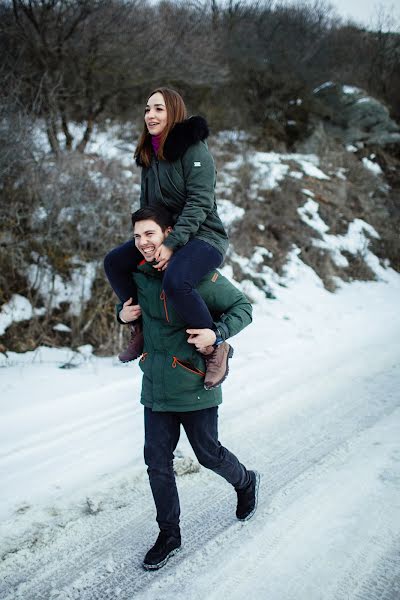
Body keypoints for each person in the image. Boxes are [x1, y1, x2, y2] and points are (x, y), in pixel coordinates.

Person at [119, 206, 260, 571]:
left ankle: (245, 481)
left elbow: (242, 307)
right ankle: (169, 534)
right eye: (137, 237)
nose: (143, 243)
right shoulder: (138, 274)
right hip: (156, 384)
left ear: (168, 233)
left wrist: (217, 333)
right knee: (157, 463)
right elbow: (132, 309)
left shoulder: (196, 274)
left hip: (195, 381)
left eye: (150, 234)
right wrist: (121, 312)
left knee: (208, 454)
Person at [104, 87, 232, 389]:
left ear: (173, 112)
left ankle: (215, 348)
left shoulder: (195, 151)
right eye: (147, 109)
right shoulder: (149, 155)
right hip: (166, 237)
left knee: (175, 280)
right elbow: (148, 209)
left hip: (204, 237)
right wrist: (149, 240)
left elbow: (200, 203)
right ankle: (141, 327)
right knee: (115, 262)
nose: (150, 115)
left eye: (158, 109)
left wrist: (172, 244)